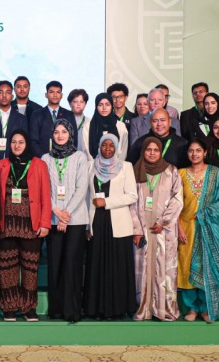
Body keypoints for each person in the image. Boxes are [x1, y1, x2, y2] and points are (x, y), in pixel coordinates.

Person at [82, 133, 139, 320]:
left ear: (117, 147)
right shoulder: (91, 165)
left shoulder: (126, 167)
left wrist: (106, 202)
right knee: (96, 266)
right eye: (104, 145)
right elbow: (86, 196)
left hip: (118, 223)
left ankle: (117, 309)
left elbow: (132, 196)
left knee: (117, 268)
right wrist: (87, 225)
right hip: (96, 222)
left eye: (111, 145)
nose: (107, 149)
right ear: (99, 147)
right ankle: (96, 309)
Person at [0, 131, 51, 321]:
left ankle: (29, 308)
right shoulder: (1, 165)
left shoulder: (39, 165)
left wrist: (45, 223)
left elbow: (45, 197)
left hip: (30, 226)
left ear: (27, 144)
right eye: (14, 142)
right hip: (7, 225)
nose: (17, 145)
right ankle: (9, 307)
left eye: (21, 142)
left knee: (30, 269)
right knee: (7, 269)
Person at [176, 139, 219, 323]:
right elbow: (174, 203)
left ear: (205, 152)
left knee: (207, 266)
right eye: (191, 151)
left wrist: (204, 214)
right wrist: (178, 227)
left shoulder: (216, 174)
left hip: (209, 229)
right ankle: (192, 308)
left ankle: (207, 308)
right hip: (186, 228)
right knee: (186, 266)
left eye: (198, 150)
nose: (194, 154)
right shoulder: (180, 174)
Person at [42, 120, 91, 322]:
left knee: (72, 264)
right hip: (53, 218)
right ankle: (56, 309)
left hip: (76, 219)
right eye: (56, 132)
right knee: (55, 264)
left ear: (70, 134)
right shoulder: (45, 158)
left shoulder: (80, 157)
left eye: (64, 131)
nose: (60, 135)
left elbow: (82, 188)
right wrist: (56, 211)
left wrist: (66, 214)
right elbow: (44, 189)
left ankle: (72, 310)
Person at [133, 136, 184, 322]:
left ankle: (164, 310)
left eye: (156, 150)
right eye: (148, 150)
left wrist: (163, 221)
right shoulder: (135, 171)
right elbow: (130, 202)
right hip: (143, 229)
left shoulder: (171, 171)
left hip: (164, 230)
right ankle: (144, 309)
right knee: (143, 269)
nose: (152, 153)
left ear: (161, 152)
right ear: (143, 151)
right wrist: (137, 229)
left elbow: (178, 199)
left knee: (164, 269)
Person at [30, 82, 78, 158]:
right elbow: (33, 141)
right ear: (46, 95)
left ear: (61, 95)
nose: (55, 95)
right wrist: (43, 157)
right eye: (51, 92)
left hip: (64, 159)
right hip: (42, 158)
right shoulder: (37, 114)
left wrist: (65, 157)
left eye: (58, 92)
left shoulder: (69, 115)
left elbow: (73, 139)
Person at [85, 93, 122, 158]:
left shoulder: (120, 126)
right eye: (100, 105)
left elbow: (123, 150)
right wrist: (95, 163)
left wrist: (117, 163)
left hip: (116, 163)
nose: (104, 108)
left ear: (112, 106)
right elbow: (86, 150)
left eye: (107, 105)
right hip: (93, 163)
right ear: (96, 107)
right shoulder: (88, 126)